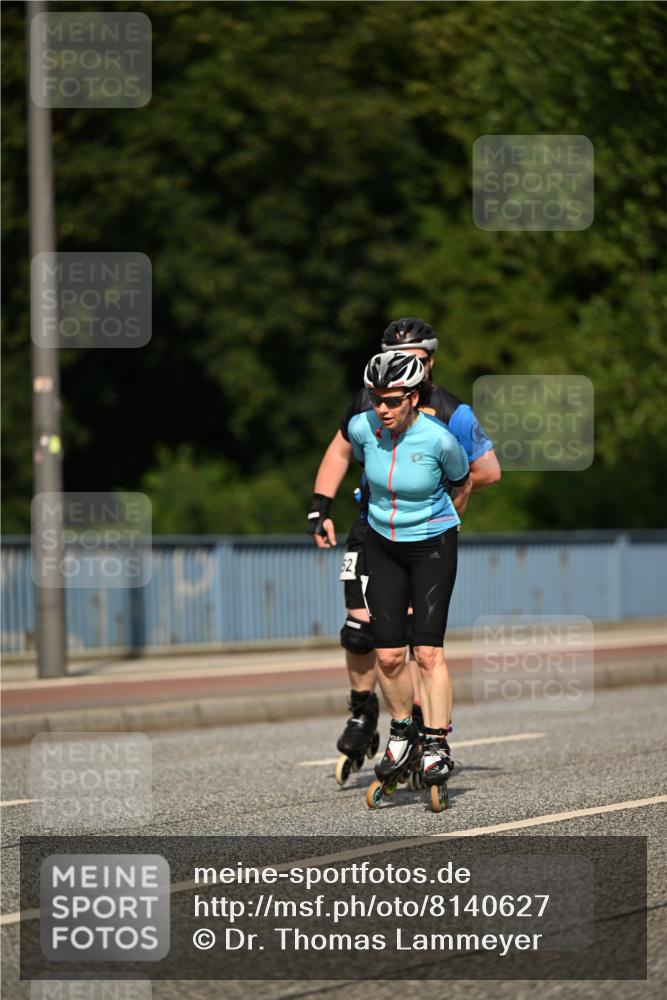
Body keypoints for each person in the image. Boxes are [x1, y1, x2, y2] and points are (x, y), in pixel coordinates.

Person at [308, 318, 500, 786]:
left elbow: (485, 472)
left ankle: (426, 730)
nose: (401, 371)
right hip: (371, 526)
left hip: (425, 531)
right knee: (360, 632)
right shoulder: (369, 402)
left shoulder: (451, 413)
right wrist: (320, 506)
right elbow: (339, 450)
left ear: (430, 362)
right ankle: (362, 714)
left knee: (422, 641)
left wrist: (438, 512)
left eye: (416, 357)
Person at [346, 350, 470, 811]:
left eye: (393, 400)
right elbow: (361, 465)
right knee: (389, 655)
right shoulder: (363, 429)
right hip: (382, 544)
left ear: (414, 397)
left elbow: (462, 482)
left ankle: (437, 742)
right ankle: (401, 732)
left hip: (433, 544)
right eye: (377, 398)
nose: (382, 407)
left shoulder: (439, 439)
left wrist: (444, 523)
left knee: (429, 651)